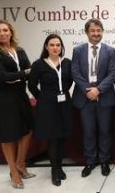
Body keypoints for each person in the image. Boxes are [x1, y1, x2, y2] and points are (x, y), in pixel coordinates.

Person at [71, 18, 115, 177]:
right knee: (89, 131)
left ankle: (104, 161)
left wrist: (98, 90)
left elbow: (112, 74)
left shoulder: (110, 51)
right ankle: (90, 162)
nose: (96, 34)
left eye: (99, 31)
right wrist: (88, 90)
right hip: (85, 98)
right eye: (93, 31)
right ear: (87, 33)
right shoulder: (78, 51)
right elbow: (75, 73)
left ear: (102, 32)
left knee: (105, 131)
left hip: (104, 97)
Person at [28, 34, 73, 186]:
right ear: (46, 47)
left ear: (62, 47)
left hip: (64, 104)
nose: (55, 48)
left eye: (58, 45)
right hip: (47, 106)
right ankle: (55, 170)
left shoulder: (67, 63)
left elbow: (70, 81)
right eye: (52, 45)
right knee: (53, 138)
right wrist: (43, 98)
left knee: (62, 138)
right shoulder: (38, 64)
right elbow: (32, 85)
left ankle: (59, 167)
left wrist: (63, 92)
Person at [0, 20, 35, 189]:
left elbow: (30, 71)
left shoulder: (19, 50)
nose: (2, 33)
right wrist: (23, 74)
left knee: (28, 130)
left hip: (21, 95)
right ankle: (13, 171)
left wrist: (18, 76)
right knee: (9, 135)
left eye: (5, 30)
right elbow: (2, 77)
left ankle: (20, 163)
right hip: (4, 98)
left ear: (11, 32)